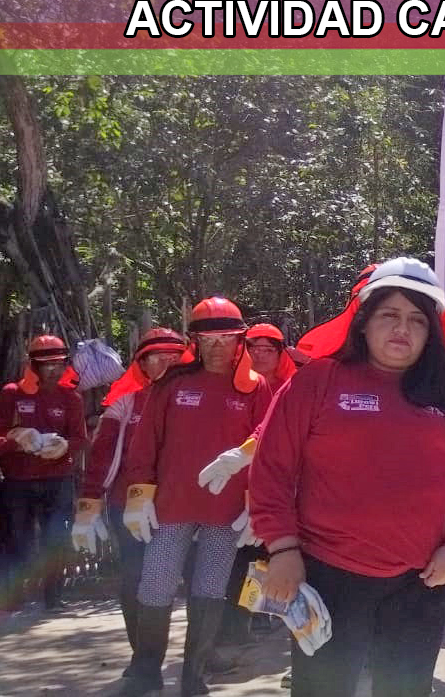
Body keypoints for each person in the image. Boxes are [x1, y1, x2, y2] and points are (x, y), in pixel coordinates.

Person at [250, 257, 445, 697]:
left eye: (417, 320)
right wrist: (282, 548)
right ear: (363, 322)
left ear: (431, 333)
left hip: (422, 584)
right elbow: (272, 470)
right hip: (328, 577)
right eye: (390, 315)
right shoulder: (317, 382)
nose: (403, 329)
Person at [117, 298, 274, 697]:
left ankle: (194, 676)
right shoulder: (172, 383)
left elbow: (271, 445)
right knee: (155, 583)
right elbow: (144, 443)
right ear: (195, 341)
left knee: (210, 588)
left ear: (239, 339)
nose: (217, 346)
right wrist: (139, 496)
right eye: (208, 338)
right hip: (171, 506)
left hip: (226, 510)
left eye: (226, 337)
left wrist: (259, 504)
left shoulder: (257, 387)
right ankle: (146, 670)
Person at [74, 328, 187, 678]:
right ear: (142, 364)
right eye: (156, 357)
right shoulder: (125, 402)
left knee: (190, 580)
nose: (166, 363)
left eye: (173, 357)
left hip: (183, 508)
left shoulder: (199, 402)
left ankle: (200, 659)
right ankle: (144, 659)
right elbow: (103, 457)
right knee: (136, 578)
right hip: (129, 505)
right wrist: (89, 505)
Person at [0, 334, 88, 612]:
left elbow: (80, 439)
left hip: (58, 479)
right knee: (19, 539)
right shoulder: (11, 393)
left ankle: (53, 598)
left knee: (56, 538)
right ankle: (15, 599)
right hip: (18, 481)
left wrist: (64, 446)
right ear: (33, 365)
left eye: (59, 363)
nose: (54, 370)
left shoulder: (71, 397)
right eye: (47, 364)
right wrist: (17, 440)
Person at [245, 324, 298, 390]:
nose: (260, 356)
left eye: (269, 350)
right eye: (253, 349)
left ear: (280, 355)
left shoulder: (289, 389)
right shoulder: (233, 387)